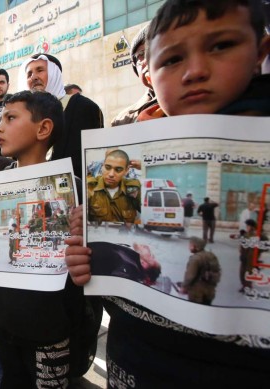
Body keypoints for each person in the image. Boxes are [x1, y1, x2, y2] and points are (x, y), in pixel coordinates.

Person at [65, 1, 270, 386]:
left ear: (260, 52)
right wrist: (89, 256)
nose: (195, 71)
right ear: (148, 75)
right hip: (136, 361)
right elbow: (117, 283)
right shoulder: (127, 146)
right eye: (172, 59)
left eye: (221, 45)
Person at [0, 90, 101, 388]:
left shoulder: (73, 189)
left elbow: (87, 263)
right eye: (0, 120)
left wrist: (83, 232)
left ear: (43, 129)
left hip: (49, 328)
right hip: (0, 321)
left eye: (10, 118)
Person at [22, 53, 103, 176]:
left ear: (54, 74)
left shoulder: (82, 106)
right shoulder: (24, 115)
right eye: (29, 74)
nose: (34, 77)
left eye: (40, 70)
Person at [111, 24, 158, 126]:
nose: (148, 59)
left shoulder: (195, 102)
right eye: (141, 54)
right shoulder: (122, 121)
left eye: (155, 50)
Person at [87, 149, 141, 226]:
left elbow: (152, 213)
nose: (111, 174)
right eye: (107, 167)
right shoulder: (90, 187)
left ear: (126, 170)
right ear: (102, 166)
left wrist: (145, 166)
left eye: (118, 170)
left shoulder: (132, 188)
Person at [181, 237, 221, 305]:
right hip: (210, 291)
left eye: (190, 245)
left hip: (197, 292)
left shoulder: (195, 259)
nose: (189, 247)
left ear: (195, 247)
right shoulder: (211, 255)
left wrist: (184, 287)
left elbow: (190, 276)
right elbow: (217, 270)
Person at [236, 219, 268, 292]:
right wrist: (241, 254)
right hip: (244, 256)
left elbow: (265, 244)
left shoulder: (258, 235)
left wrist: (259, 252)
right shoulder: (246, 234)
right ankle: (244, 285)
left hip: (251, 257)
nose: (247, 227)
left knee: (248, 271)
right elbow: (242, 246)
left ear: (252, 227)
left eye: (248, 226)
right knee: (242, 271)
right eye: (247, 226)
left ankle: (247, 286)